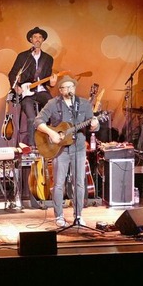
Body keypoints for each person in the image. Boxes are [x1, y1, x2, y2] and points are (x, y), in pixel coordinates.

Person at [34, 78, 99, 227]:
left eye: (71, 86)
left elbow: (93, 125)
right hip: (60, 150)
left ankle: (78, 215)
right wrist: (51, 133)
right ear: (60, 90)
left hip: (79, 148)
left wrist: (95, 124)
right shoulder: (53, 103)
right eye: (65, 87)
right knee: (58, 184)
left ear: (75, 88)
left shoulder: (84, 104)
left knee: (79, 183)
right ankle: (59, 216)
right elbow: (38, 121)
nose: (69, 89)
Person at [8, 26, 58, 146]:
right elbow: (12, 74)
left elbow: (47, 78)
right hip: (26, 93)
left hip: (41, 91)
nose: (37, 39)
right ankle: (32, 148)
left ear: (43, 40)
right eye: (35, 37)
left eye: (40, 37)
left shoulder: (48, 58)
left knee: (55, 110)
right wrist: (16, 88)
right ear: (31, 39)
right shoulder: (23, 56)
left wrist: (52, 83)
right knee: (31, 118)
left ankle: (52, 142)